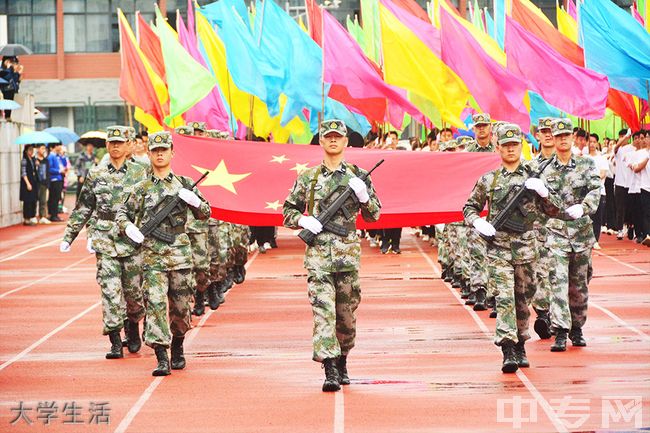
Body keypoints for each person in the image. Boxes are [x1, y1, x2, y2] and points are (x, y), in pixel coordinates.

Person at [283, 119, 381, 392]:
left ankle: (343, 357)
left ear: (346, 142)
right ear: (321, 142)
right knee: (323, 313)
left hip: (348, 258)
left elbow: (374, 216)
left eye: (338, 136)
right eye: (328, 137)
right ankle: (330, 368)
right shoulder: (309, 179)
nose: (334, 140)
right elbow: (287, 211)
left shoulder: (358, 176)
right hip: (318, 259)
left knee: (346, 318)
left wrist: (363, 196)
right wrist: (303, 222)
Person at [464, 123, 559, 373]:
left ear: (521, 145)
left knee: (523, 297)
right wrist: (478, 222)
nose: (510, 149)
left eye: (514, 144)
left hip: (527, 248)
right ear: (498, 147)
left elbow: (555, 210)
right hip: (499, 249)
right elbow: (468, 208)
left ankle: (521, 340)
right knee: (504, 297)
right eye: (505, 145)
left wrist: (544, 192)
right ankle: (508, 347)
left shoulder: (535, 175)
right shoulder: (489, 179)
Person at [117, 131, 211, 376]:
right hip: (152, 257)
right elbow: (122, 213)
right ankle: (161, 355)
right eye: (155, 150)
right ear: (148, 154)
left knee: (180, 307)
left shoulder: (184, 183)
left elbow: (206, 213)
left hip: (180, 255)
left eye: (164, 150)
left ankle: (178, 345)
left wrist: (195, 202)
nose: (159, 154)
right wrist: (128, 227)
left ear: (172, 153)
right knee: (156, 304)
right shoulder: (141, 188)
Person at [59, 126, 147, 360]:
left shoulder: (141, 172)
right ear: (107, 146)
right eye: (112, 143)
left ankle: (132, 326)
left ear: (128, 146)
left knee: (134, 293)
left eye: (120, 142)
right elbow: (85, 206)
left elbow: (151, 205)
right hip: (105, 239)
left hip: (132, 240)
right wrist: (70, 235)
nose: (115, 146)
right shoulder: (96, 174)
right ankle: (115, 340)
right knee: (109, 291)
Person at [541, 118, 601, 352]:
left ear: (573, 138)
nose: (563, 139)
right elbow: (541, 202)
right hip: (556, 231)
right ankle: (561, 330)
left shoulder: (586, 164)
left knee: (579, 284)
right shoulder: (545, 169)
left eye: (567, 135)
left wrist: (584, 207)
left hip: (581, 233)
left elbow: (596, 189)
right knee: (557, 281)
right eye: (559, 136)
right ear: (553, 140)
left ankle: (577, 327)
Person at [586, 133, 609, 249]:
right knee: (587, 217)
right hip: (586, 193)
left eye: (594, 142)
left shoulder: (602, 158)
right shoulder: (584, 158)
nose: (592, 144)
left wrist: (592, 179)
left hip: (600, 191)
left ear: (597, 143)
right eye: (590, 142)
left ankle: (595, 239)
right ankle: (588, 239)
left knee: (597, 217)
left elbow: (603, 173)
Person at [20, 145, 38, 225]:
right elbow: (23, 173)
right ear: (26, 151)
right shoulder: (24, 160)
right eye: (30, 150)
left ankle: (31, 217)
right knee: (27, 201)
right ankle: (26, 219)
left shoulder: (33, 159)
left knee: (33, 200)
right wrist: (28, 183)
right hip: (27, 183)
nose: (32, 151)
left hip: (33, 182)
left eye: (32, 150)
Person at [47, 143, 65, 222]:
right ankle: (53, 215)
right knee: (54, 198)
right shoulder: (51, 156)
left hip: (58, 178)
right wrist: (59, 171)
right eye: (57, 146)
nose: (59, 147)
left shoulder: (57, 156)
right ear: (52, 148)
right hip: (54, 179)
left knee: (57, 197)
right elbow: (49, 169)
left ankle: (55, 214)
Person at [34, 144, 50, 224]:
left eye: (44, 148)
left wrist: (48, 183)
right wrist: (36, 165)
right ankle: (33, 216)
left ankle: (42, 216)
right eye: (42, 148)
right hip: (36, 183)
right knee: (34, 200)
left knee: (43, 200)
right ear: (37, 149)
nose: (44, 150)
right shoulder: (34, 160)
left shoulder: (46, 160)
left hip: (44, 183)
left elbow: (47, 172)